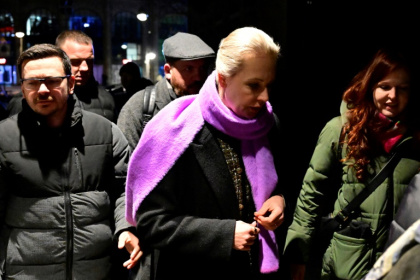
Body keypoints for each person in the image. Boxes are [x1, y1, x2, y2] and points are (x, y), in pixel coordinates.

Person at [125, 26, 285, 280]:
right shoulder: (174, 129)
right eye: (254, 86)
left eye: (268, 85)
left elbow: (283, 179)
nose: (264, 97)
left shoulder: (268, 123)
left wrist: (278, 199)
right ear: (223, 79)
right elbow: (151, 223)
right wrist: (223, 235)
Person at [0, 43, 141, 279]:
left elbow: (125, 189)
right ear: (22, 89)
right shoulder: (4, 138)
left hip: (97, 271)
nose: (43, 89)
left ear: (71, 84)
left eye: (53, 80)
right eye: (32, 82)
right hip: (24, 273)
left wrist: (126, 227)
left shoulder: (105, 132)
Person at [284, 47, 420, 280]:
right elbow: (310, 196)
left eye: (403, 89)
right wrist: (297, 256)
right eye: (385, 86)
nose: (393, 96)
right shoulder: (341, 130)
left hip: (396, 270)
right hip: (344, 267)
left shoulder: (415, 141)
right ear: (371, 86)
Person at [117, 32, 215, 150]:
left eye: (203, 68)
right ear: (168, 71)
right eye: (189, 69)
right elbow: (126, 164)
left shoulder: (214, 104)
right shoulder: (139, 106)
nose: (198, 77)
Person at [7, 30, 116, 122]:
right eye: (75, 61)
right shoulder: (30, 100)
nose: (85, 68)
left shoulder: (106, 98)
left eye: (89, 61)